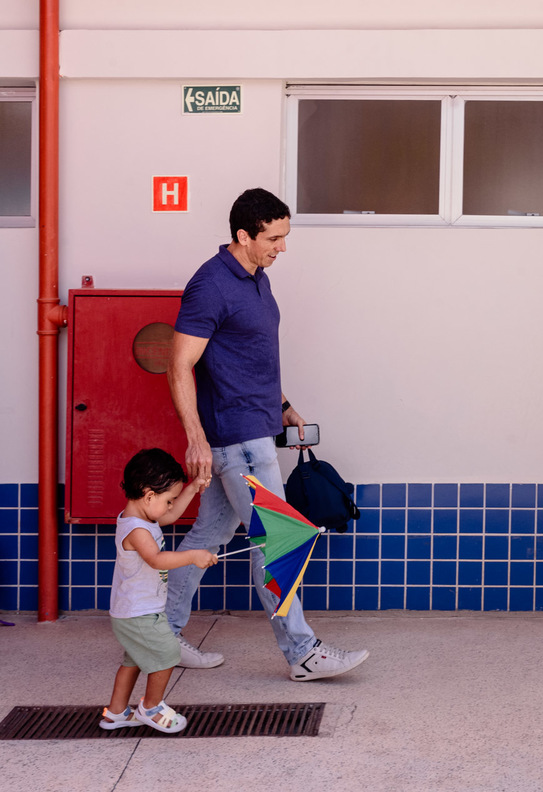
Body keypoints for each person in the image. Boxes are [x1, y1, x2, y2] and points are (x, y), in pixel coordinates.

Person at [166, 188, 368, 681]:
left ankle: (160, 635)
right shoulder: (210, 285)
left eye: (285, 236)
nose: (282, 247)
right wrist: (196, 437)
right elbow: (179, 364)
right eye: (274, 238)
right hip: (236, 437)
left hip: (256, 427)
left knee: (208, 534)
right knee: (280, 540)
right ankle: (302, 652)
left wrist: (284, 405)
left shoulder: (257, 278)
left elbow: (251, 356)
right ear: (243, 235)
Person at [102, 449, 217, 733]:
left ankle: (115, 712)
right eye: (168, 500)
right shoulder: (137, 531)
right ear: (149, 494)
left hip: (134, 610)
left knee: (134, 660)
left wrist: (192, 489)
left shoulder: (144, 518)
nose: (170, 507)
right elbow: (156, 559)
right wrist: (192, 556)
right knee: (167, 654)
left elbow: (169, 517)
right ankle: (151, 708)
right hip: (138, 612)